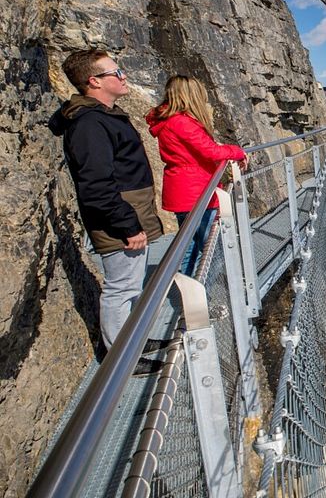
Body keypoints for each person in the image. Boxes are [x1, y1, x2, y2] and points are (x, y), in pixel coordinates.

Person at [48, 48, 164, 350]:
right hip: (120, 221)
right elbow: (96, 185)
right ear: (94, 81)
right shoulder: (89, 125)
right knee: (121, 288)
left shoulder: (101, 117)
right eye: (117, 72)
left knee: (131, 286)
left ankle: (132, 342)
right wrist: (127, 224)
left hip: (130, 213)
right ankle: (120, 357)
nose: (123, 76)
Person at [146, 76, 246, 275]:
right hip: (197, 191)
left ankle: (190, 290)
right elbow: (211, 152)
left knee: (190, 244)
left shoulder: (168, 122)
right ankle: (208, 297)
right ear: (191, 96)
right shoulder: (182, 122)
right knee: (212, 249)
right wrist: (237, 151)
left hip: (183, 189)